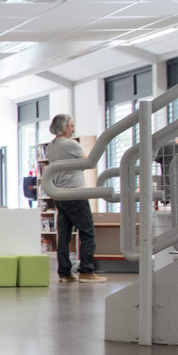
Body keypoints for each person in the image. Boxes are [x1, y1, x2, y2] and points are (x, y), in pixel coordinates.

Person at [45, 114, 106, 283]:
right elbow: (90, 162)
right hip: (75, 194)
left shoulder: (51, 146)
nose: (73, 129)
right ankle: (86, 271)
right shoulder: (71, 144)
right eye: (71, 126)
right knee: (87, 233)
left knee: (64, 236)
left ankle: (64, 272)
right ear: (65, 127)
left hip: (60, 194)